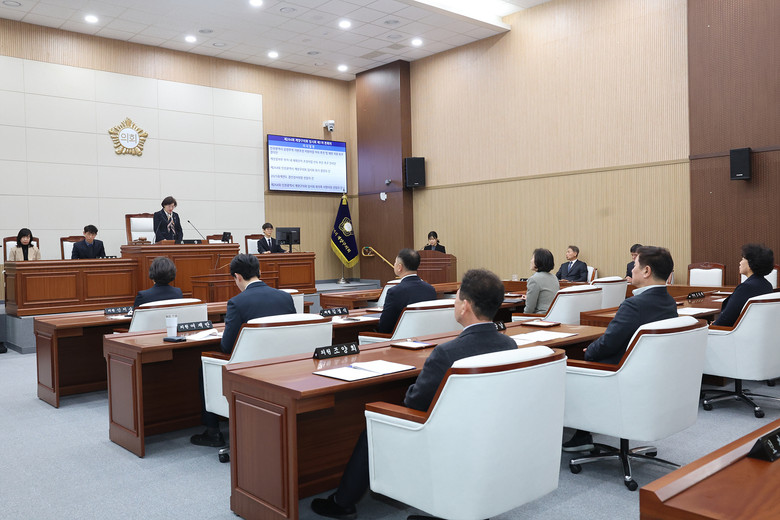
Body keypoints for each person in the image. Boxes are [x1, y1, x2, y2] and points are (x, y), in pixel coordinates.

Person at [311, 269, 516, 519]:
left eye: (456, 298)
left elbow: (413, 403)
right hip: (486, 434)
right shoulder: (509, 345)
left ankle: (342, 502)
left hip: (444, 437)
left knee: (374, 423)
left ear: (465, 306)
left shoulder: (446, 354)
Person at [563, 246, 678, 452]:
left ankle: (582, 434)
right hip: (649, 374)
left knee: (571, 364)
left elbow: (609, 342)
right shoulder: (669, 302)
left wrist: (589, 351)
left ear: (646, 271)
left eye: (635, 265)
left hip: (622, 374)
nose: (631, 270)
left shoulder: (633, 305)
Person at [190, 254, 296, 447]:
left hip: (250, 372)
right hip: (282, 367)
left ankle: (213, 431)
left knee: (203, 368)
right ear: (259, 272)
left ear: (237, 277)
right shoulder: (285, 297)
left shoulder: (237, 303)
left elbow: (227, 346)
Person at [712, 244, 774, 327]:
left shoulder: (745, 288)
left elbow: (726, 319)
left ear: (751, 263)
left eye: (743, 259)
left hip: (733, 333)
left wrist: (713, 325)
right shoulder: (767, 285)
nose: (740, 262)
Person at [376, 249, 437, 334]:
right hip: (425, 336)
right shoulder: (431, 290)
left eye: (395, 262)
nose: (394, 264)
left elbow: (384, 327)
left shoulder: (394, 292)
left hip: (399, 338)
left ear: (399, 267)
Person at [524, 248, 560, 314]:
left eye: (532, 258)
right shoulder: (554, 277)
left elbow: (529, 309)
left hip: (540, 316)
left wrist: (521, 317)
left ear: (538, 261)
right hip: (553, 315)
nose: (530, 261)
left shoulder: (534, 279)